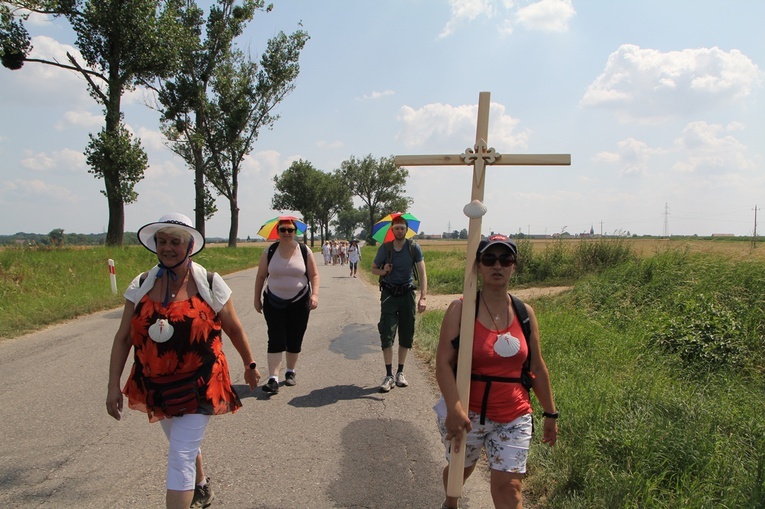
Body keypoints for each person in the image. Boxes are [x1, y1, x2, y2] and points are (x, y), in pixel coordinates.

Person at [106, 213, 261, 509]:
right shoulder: (140, 284)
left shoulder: (210, 283)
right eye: (161, 241)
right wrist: (113, 385)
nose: (166, 248)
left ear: (189, 246)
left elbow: (233, 327)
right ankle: (201, 486)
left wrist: (250, 364)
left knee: (180, 456)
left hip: (202, 382)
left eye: (175, 242)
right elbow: (123, 338)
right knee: (182, 444)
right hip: (157, 384)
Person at [433, 235, 558, 509]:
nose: (497, 266)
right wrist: (454, 408)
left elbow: (536, 366)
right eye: (489, 259)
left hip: (513, 414)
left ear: (514, 266)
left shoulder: (526, 313)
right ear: (478, 266)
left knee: (509, 487)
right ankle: (450, 502)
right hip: (468, 412)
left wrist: (550, 413)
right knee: (458, 473)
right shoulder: (461, 309)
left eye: (506, 259)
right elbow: (442, 362)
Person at [253, 218, 320, 394]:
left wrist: (314, 295)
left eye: (290, 230)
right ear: (278, 231)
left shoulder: (304, 251)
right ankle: (273, 379)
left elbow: (314, 276)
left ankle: (290, 372)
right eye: (283, 230)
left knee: (295, 337)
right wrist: (256, 298)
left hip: (299, 301)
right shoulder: (270, 251)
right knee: (275, 337)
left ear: (295, 232)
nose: (287, 233)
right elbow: (261, 277)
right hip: (273, 301)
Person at [371, 215, 427, 392]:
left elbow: (422, 273)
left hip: (407, 294)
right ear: (392, 230)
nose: (399, 231)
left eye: (402, 228)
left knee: (406, 332)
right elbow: (374, 269)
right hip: (389, 294)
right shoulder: (385, 248)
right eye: (396, 228)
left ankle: (400, 372)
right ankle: (388, 375)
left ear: (406, 229)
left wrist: (423, 297)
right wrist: (384, 270)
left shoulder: (413, 247)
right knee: (387, 332)